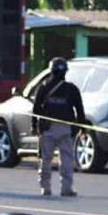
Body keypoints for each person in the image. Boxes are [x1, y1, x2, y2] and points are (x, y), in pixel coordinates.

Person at [32, 57, 86, 198]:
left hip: (47, 129)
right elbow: (80, 110)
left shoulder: (43, 87)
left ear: (51, 70)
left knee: (45, 159)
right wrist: (82, 128)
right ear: (65, 72)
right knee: (67, 159)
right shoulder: (72, 89)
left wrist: (34, 126)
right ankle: (66, 188)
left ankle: (45, 188)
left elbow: (36, 109)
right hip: (66, 128)